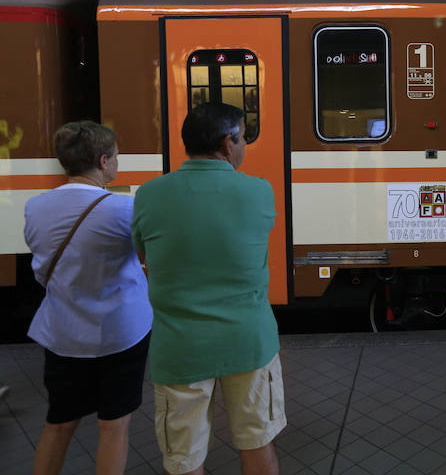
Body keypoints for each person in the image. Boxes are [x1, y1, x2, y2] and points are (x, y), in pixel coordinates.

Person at [131, 103, 285, 475]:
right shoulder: (259, 192)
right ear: (227, 143)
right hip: (248, 343)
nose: (245, 146)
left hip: (180, 347)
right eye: (244, 138)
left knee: (185, 459)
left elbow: (143, 254)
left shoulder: (149, 195)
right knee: (257, 443)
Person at [24, 121, 153, 475]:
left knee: (59, 423)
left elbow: (42, 264)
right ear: (102, 160)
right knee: (113, 426)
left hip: (63, 333)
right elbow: (147, 257)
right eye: (115, 156)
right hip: (120, 333)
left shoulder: (36, 207)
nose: (117, 162)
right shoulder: (122, 210)